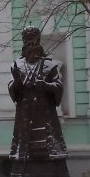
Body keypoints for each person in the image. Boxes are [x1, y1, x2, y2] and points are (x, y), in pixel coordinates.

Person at [8, 27, 67, 162]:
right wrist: (17, 81)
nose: (31, 45)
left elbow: (58, 86)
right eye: (28, 41)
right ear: (24, 43)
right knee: (24, 146)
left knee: (49, 143)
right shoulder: (17, 65)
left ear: (39, 42)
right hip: (25, 112)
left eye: (33, 41)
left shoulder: (49, 64)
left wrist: (46, 86)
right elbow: (12, 89)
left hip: (45, 111)